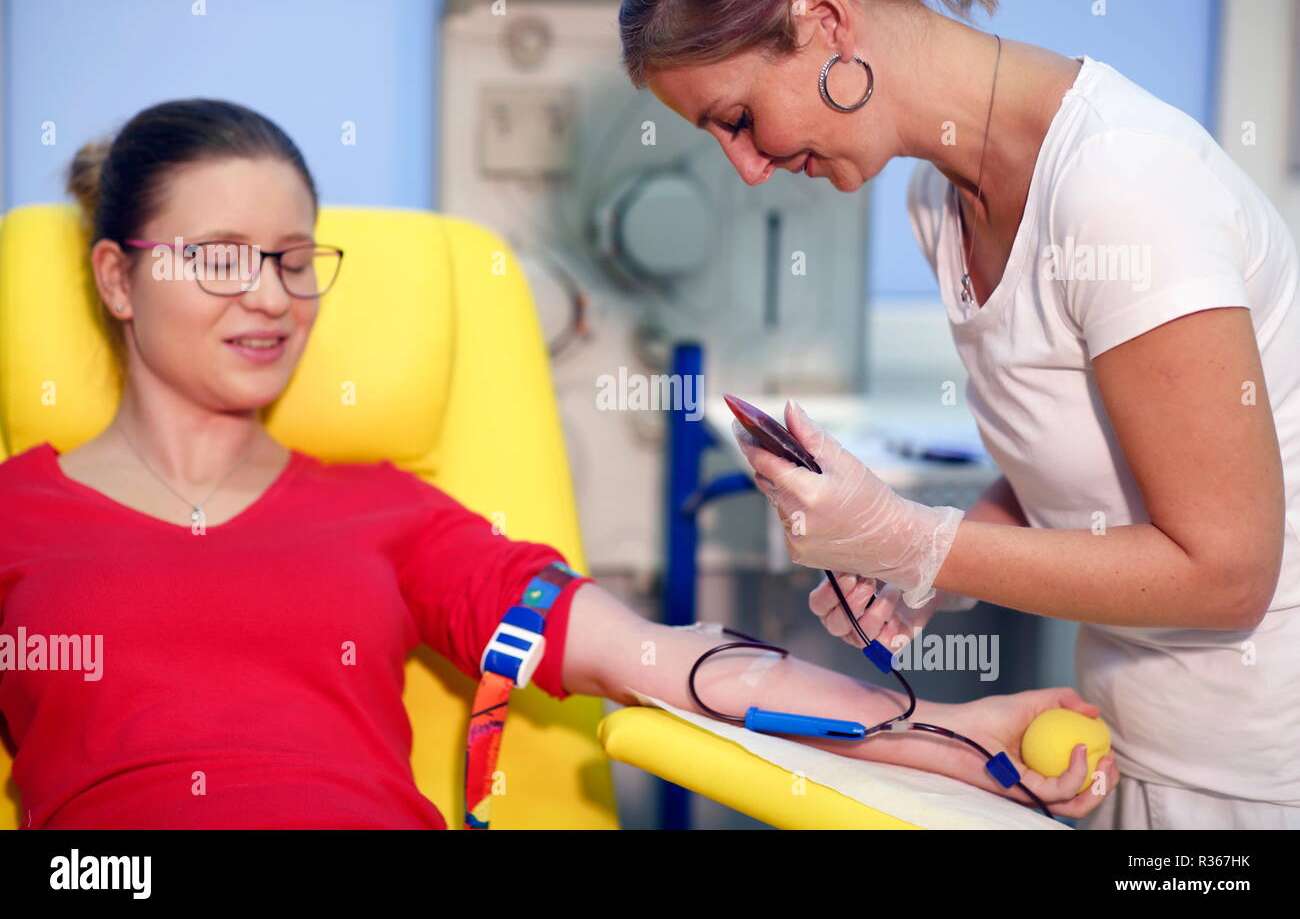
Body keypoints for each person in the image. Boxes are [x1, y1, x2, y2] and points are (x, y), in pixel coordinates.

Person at [0, 98, 1112, 829]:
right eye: (220, 257)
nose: (269, 295)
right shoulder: (16, 516)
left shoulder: (389, 515)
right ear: (115, 277)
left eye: (295, 260)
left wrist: (946, 731)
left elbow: (662, 659)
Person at [622, 0, 1300, 829]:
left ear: (825, 17)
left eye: (741, 119)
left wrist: (917, 541)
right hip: (1121, 737)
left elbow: (1229, 574)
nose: (748, 169)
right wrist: (916, 576)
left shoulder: (1124, 189)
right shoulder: (940, 200)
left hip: (1252, 771)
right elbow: (1075, 467)